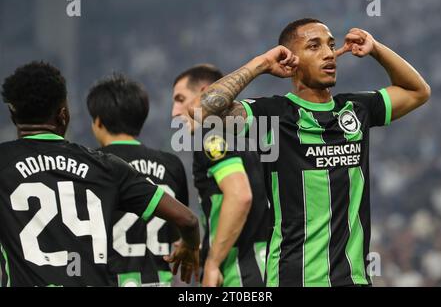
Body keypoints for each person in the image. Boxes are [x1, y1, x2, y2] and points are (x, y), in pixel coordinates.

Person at [191, 18, 431, 287]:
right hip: (294, 279)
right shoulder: (272, 115)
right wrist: (261, 63)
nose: (329, 53)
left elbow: (418, 91)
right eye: (314, 47)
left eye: (330, 45)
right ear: (292, 60)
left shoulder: (356, 109)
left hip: (354, 280)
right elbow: (202, 109)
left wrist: (376, 49)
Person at [0, 61, 199, 287]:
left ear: (13, 115)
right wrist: (190, 246)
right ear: (63, 115)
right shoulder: (105, 167)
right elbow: (188, 219)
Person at [86, 73, 189, 287]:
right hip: (161, 282)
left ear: (98, 121)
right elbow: (179, 232)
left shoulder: (91, 167)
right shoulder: (171, 165)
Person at [172, 65, 270, 287]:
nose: (174, 112)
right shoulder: (254, 135)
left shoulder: (209, 135)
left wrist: (213, 261)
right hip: (271, 265)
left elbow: (239, 196)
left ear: (205, 93)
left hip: (240, 271)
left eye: (180, 99)